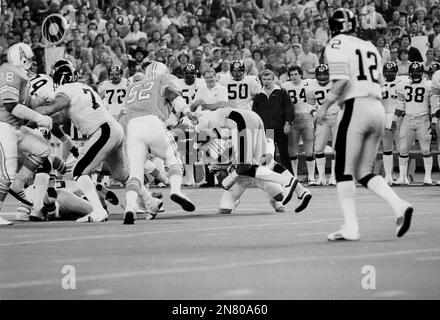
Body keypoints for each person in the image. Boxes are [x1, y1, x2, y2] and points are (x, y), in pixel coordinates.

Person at [317, 8, 413, 241]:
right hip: (377, 108)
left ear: (334, 27)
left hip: (355, 106)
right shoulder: (370, 47)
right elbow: (378, 81)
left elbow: (341, 80)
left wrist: (324, 105)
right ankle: (399, 206)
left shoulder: (337, 43)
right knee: (362, 172)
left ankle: (351, 227)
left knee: (343, 170)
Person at [33, 63, 130, 223]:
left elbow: (51, 109)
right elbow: (61, 117)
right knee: (121, 175)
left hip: (104, 130)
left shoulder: (65, 90)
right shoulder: (83, 87)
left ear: (59, 77)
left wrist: (25, 113)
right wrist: (43, 121)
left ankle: (98, 210)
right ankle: (149, 202)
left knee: (79, 171)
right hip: (114, 129)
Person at [124, 61, 196, 224]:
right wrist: (186, 110)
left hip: (132, 127)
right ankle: (176, 190)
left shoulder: (133, 86)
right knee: (173, 157)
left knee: (135, 174)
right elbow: (170, 92)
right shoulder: (163, 78)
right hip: (153, 121)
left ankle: (130, 206)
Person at [0, 43, 52, 226]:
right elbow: (10, 105)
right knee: (7, 171)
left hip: (15, 128)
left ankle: (19, 184)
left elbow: (26, 101)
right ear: (20, 57)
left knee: (43, 149)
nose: (30, 62)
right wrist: (39, 118)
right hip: (4, 126)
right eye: (28, 58)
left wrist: (41, 100)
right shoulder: (10, 72)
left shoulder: (19, 74)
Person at [392, 62, 435, 185]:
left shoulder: (428, 85)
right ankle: (402, 177)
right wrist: (394, 119)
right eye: (413, 72)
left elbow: (433, 104)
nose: (415, 74)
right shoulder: (403, 85)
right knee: (403, 148)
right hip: (408, 118)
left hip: (423, 118)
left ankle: (427, 177)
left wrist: (433, 121)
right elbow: (400, 105)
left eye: (417, 72)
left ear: (422, 73)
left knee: (426, 149)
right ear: (410, 73)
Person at [252, 69, 294, 174]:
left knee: (284, 153)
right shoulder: (259, 95)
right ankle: (270, 175)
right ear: (261, 80)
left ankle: (289, 176)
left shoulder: (281, 92)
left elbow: (289, 108)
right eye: (264, 79)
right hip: (267, 129)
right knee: (269, 154)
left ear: (273, 79)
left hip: (280, 127)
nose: (267, 81)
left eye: (269, 79)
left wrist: (288, 123)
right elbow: (255, 114)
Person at [281, 66, 316, 184]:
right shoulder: (285, 86)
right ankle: (294, 176)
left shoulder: (309, 83)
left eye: (296, 74)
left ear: (301, 74)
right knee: (292, 150)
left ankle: (311, 177)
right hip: (293, 119)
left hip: (307, 117)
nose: (294, 77)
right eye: (291, 75)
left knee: (309, 150)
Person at [307, 64, 338, 185]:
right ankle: (321, 177)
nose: (322, 76)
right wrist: (315, 113)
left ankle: (334, 177)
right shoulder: (311, 86)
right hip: (322, 118)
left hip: (337, 116)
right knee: (318, 148)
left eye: (325, 74)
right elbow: (309, 104)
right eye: (320, 74)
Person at [381, 62, 405, 186]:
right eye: (387, 71)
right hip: (385, 115)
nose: (389, 74)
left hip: (399, 116)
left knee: (402, 148)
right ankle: (388, 176)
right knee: (387, 148)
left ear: (396, 72)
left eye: (392, 71)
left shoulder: (402, 81)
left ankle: (403, 176)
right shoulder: (379, 84)